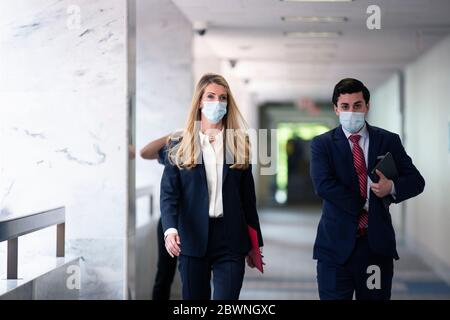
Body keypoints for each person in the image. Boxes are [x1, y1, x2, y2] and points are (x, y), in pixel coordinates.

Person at [310, 78, 425, 300]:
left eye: (357, 105)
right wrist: (366, 201)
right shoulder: (322, 144)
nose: (351, 111)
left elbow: (416, 181)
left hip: (375, 248)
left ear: (367, 106)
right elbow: (323, 185)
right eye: (345, 106)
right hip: (335, 250)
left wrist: (391, 187)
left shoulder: (388, 141)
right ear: (336, 109)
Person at [160, 73, 264, 300]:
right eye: (211, 96)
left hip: (231, 239)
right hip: (192, 238)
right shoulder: (179, 145)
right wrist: (170, 230)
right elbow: (169, 195)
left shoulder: (239, 143)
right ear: (199, 101)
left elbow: (248, 199)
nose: (217, 102)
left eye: (223, 98)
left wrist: (256, 245)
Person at [140, 134, 177, 300]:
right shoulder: (177, 149)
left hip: (197, 222)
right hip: (169, 220)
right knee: (165, 272)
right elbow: (144, 152)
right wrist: (172, 136)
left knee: (198, 275)